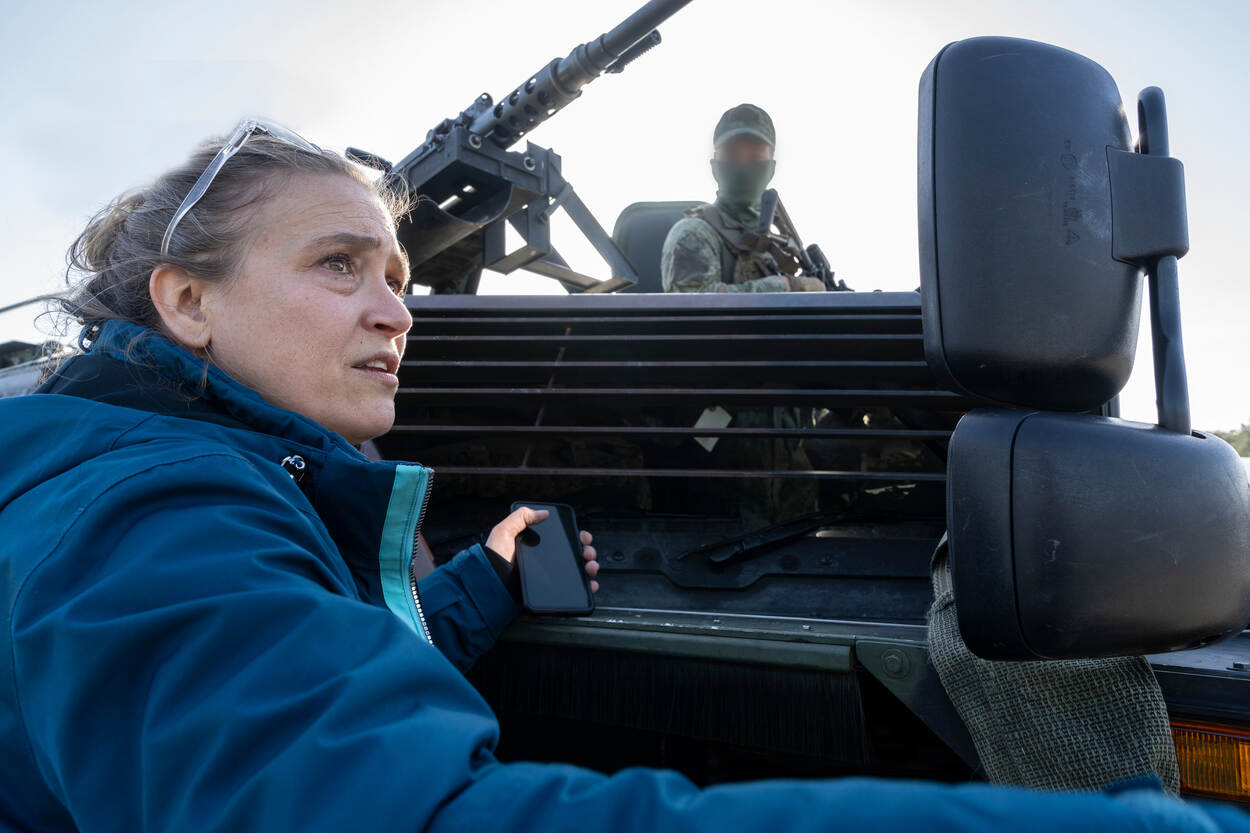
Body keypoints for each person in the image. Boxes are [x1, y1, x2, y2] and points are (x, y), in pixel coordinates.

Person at [0, 119, 1245, 833]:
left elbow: (288, 668)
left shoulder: (205, 467)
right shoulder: (149, 517)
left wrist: (486, 584)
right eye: (340, 266)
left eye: (396, 272)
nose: (398, 311)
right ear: (188, 301)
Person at [660, 103, 826, 294]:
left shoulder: (772, 249)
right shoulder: (693, 235)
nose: (743, 167)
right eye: (733, 155)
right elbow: (692, 310)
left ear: (771, 168)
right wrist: (784, 287)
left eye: (755, 156)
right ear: (715, 167)